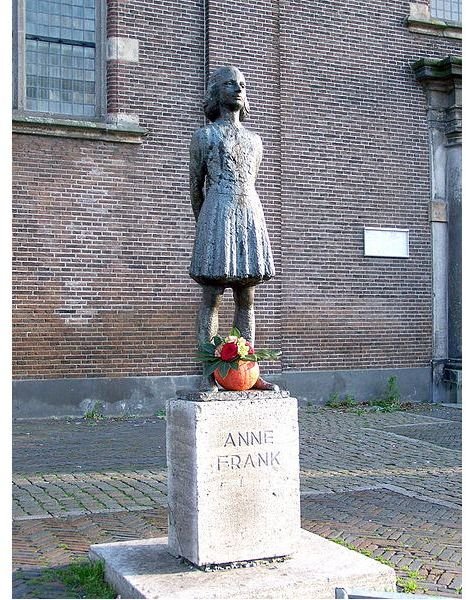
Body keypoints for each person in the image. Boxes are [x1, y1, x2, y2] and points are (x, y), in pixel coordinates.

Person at [189, 66, 278, 392]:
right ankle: (209, 372)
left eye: (242, 84)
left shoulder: (255, 140)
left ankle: (248, 371)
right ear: (216, 91)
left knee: (247, 297)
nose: (238, 89)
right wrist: (206, 227)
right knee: (212, 297)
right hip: (217, 214)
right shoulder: (205, 136)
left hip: (249, 214)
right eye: (230, 84)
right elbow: (195, 188)